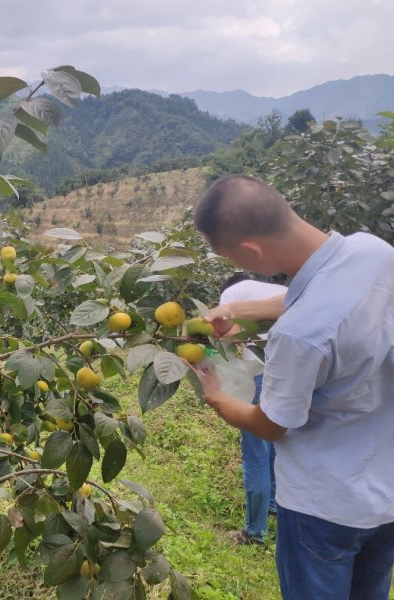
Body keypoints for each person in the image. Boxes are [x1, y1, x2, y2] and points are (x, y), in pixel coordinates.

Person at [192, 174, 394, 599]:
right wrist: (236, 308)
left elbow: (271, 424)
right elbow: (317, 297)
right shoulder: (373, 250)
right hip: (386, 493)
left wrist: (215, 396)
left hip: (324, 510)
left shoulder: (299, 337)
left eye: (233, 258)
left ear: (252, 251)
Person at [218, 273, 287, 545]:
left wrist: (202, 348)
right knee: (272, 440)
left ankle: (254, 532)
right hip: (288, 374)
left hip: (261, 373)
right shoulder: (275, 290)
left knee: (255, 451)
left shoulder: (232, 296)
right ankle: (273, 504)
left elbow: (230, 336)